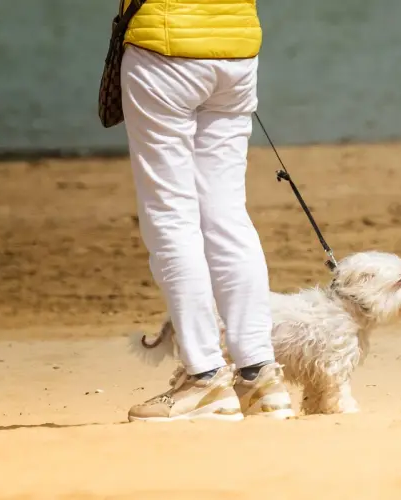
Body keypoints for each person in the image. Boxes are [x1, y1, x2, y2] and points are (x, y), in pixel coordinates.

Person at [119, 0, 295, 422]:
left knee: (170, 216)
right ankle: (260, 378)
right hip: (237, 50)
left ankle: (205, 378)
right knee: (227, 214)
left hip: (163, 46)